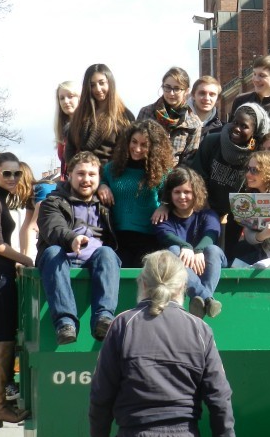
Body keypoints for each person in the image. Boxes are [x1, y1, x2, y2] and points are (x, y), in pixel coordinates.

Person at [89, 250, 236, 437]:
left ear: (143, 283)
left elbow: (102, 392)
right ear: (183, 286)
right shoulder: (200, 330)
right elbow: (218, 396)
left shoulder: (123, 324)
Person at [37, 151, 121, 345]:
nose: (86, 179)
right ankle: (65, 323)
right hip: (63, 257)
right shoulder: (53, 202)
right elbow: (53, 227)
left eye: (92, 175)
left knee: (108, 252)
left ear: (99, 178)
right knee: (52, 251)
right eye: (81, 174)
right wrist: (72, 238)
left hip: (95, 260)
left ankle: (103, 319)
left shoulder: (106, 205)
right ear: (70, 175)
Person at [0, 153, 33, 428]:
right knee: (2, 338)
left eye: (16, 174)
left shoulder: (0, 199)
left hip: (2, 275)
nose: (12, 178)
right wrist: (26, 260)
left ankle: (1, 403)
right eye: (6, 173)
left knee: (6, 336)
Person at [189, 102, 270, 261]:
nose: (237, 128)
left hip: (241, 214)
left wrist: (243, 219)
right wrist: (207, 209)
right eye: (235, 122)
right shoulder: (212, 141)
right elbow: (197, 176)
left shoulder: (257, 155)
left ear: (254, 131)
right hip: (207, 209)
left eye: (244, 126)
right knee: (205, 254)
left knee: (232, 256)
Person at [98, 120, 174, 268]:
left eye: (144, 145)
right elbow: (94, 182)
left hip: (149, 239)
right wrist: (101, 186)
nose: (137, 148)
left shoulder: (163, 173)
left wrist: (165, 206)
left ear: (154, 147)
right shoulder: (111, 169)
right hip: (117, 238)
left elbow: (175, 196)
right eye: (134, 142)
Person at [154, 167, 226, 318]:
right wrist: (185, 246)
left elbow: (212, 233)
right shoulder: (163, 217)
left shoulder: (207, 214)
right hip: (181, 267)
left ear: (195, 193)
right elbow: (165, 235)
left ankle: (200, 298)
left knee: (212, 250)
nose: (182, 196)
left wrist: (199, 250)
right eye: (177, 192)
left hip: (208, 264)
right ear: (170, 194)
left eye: (187, 192)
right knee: (173, 251)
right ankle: (207, 299)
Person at [65, 63, 134, 166]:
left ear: (110, 83)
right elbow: (70, 148)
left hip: (111, 176)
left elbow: (127, 153)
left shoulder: (125, 116)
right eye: (92, 85)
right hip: (83, 174)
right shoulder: (79, 115)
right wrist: (74, 170)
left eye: (101, 83)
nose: (98, 89)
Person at [137, 67, 202, 166]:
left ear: (186, 91)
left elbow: (189, 160)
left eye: (176, 89)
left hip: (173, 176)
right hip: (144, 171)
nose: (171, 93)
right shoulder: (146, 112)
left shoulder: (193, 122)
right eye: (167, 87)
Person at [54, 80, 80, 179]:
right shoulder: (62, 129)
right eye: (62, 98)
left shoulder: (89, 126)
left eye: (70, 96)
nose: (66, 101)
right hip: (69, 184)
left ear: (80, 97)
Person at [190, 75, 223, 142]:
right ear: (193, 95)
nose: (207, 98)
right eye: (202, 93)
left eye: (212, 94)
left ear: (218, 99)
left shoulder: (222, 130)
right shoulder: (178, 122)